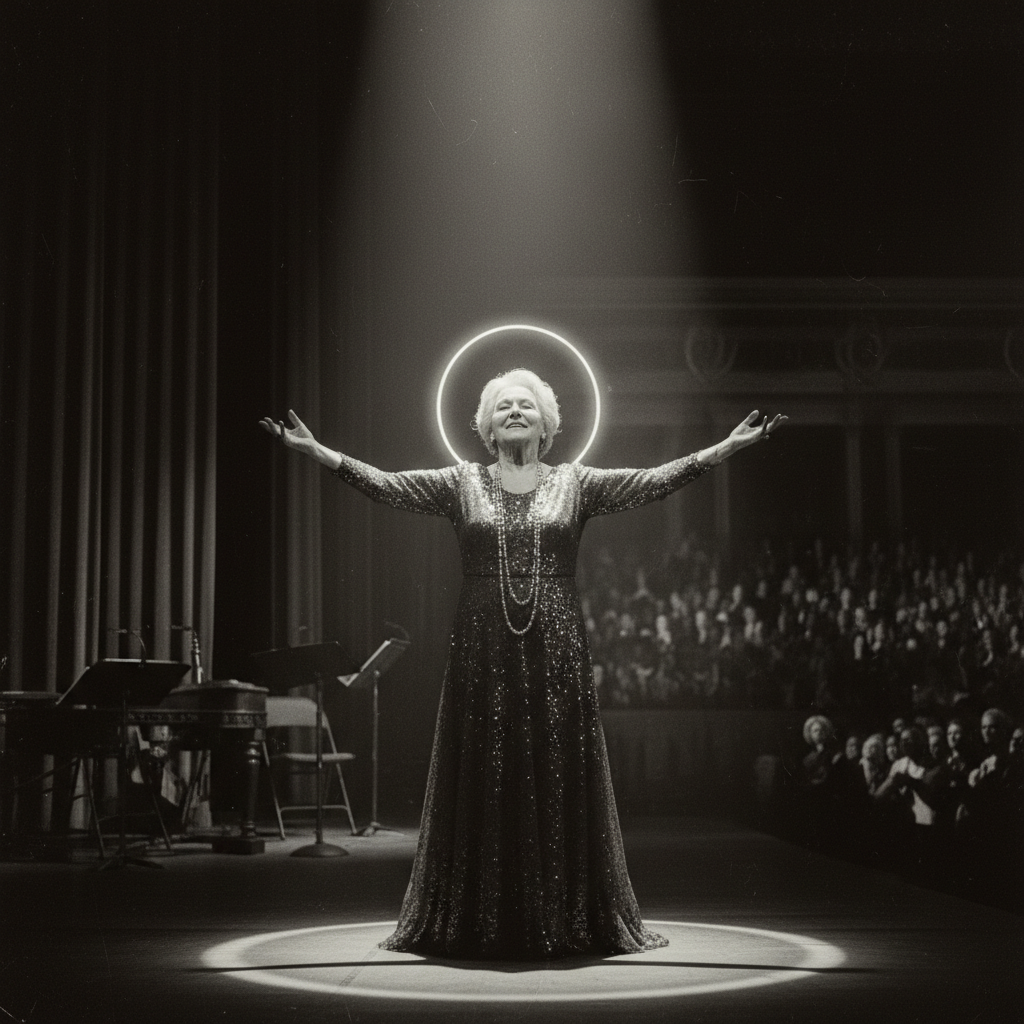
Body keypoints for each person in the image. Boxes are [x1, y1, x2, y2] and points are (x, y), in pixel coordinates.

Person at [261, 368, 785, 960]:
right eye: (503, 406)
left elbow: (651, 481)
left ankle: (563, 914)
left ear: (547, 424)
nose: (515, 411)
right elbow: (386, 485)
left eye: (526, 405)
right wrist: (318, 452)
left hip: (556, 650)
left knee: (557, 770)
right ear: (486, 426)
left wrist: (725, 448)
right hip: (481, 651)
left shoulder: (577, 483)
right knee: (483, 768)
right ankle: (477, 915)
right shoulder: (460, 483)